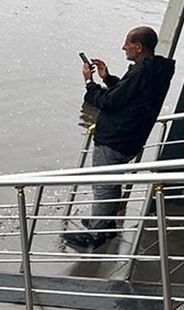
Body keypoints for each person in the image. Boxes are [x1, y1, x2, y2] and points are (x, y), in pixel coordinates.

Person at [65, 26, 175, 249]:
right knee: (112, 182)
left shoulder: (141, 72)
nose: (124, 47)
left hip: (115, 138)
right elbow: (129, 94)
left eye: (127, 43)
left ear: (138, 47)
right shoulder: (155, 70)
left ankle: (97, 234)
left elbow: (110, 102)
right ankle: (105, 222)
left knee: (104, 184)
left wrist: (89, 82)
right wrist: (107, 78)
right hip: (132, 138)